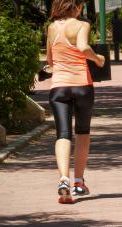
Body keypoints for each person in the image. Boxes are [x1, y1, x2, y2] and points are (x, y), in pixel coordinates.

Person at [46, 0, 105, 204]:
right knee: (82, 133)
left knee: (62, 134)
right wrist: (97, 59)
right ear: (76, 7)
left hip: (58, 88)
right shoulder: (82, 25)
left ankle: (64, 180)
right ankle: (78, 182)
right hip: (82, 86)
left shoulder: (52, 28)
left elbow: (50, 61)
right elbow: (82, 47)